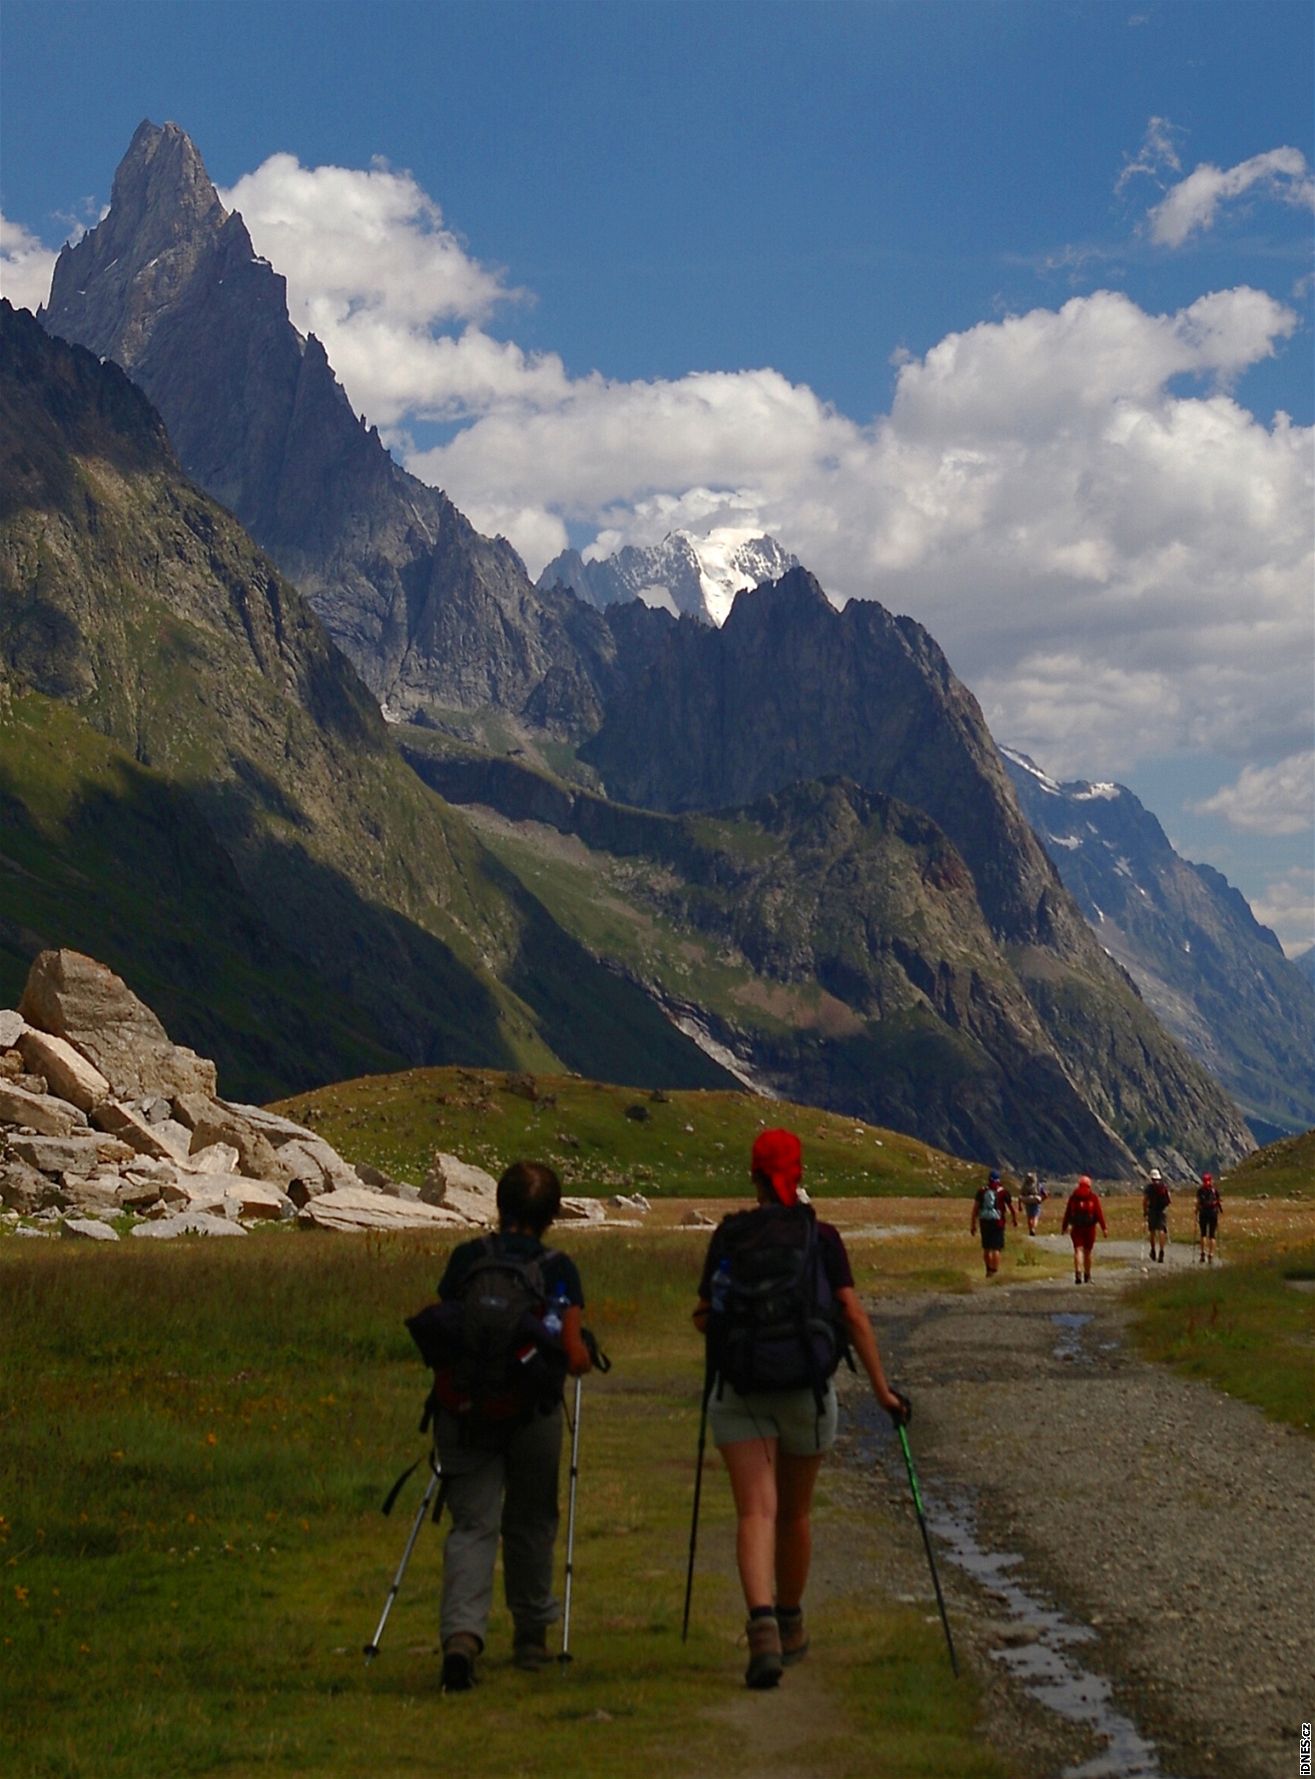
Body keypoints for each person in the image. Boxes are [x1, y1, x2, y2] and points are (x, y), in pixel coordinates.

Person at [692, 1128, 909, 1690]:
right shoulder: (823, 1237)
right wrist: (883, 1392)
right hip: (807, 1392)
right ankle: (790, 1622)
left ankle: (760, 1627)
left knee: (754, 1513)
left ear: (753, 1175)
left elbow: (703, 1314)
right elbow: (852, 1314)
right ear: (799, 1173)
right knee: (795, 1513)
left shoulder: (730, 1235)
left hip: (740, 1392)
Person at [430, 1161, 592, 1693]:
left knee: (472, 1525)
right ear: (552, 1215)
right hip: (532, 1411)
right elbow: (571, 1352)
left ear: (499, 1206)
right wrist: (582, 1356)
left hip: (465, 1410)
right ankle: (530, 1637)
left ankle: (461, 1637)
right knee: (531, 1522)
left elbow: (447, 1327)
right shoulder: (558, 1268)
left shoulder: (467, 1259)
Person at [1060, 1175, 1107, 1283]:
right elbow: (1099, 1213)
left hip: (1076, 1227)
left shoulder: (1073, 1197)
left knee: (1078, 1250)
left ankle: (1078, 1273)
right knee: (1088, 1252)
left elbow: (1067, 1214)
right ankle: (1087, 1275)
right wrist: (1104, 1228)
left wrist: (1064, 1227)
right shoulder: (1093, 1197)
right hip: (1090, 1228)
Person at [970, 1169, 1017, 1276]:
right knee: (996, 1248)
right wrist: (1014, 1219)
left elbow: (975, 1209)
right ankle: (994, 1271)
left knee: (987, 1248)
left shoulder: (982, 1191)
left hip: (984, 1221)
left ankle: (988, 1270)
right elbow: (1011, 1208)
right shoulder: (1003, 1192)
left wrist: (973, 1224)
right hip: (998, 1222)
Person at [1143, 1168, 1172, 1263]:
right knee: (1161, 1230)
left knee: (1152, 1231)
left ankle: (1153, 1250)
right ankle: (1162, 1250)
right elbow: (1169, 1200)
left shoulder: (1149, 1188)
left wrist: (1145, 1211)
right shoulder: (1164, 1186)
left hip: (1152, 1210)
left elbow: (1145, 1200)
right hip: (1162, 1211)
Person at [1196, 1172, 1222, 1263]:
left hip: (1203, 1213)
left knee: (1203, 1234)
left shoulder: (1200, 1191)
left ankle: (1202, 1253)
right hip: (1213, 1213)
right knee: (1212, 1235)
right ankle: (1211, 1254)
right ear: (1210, 1181)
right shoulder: (1215, 1190)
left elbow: (1198, 1202)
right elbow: (1218, 1201)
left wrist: (1196, 1211)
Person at [1019, 1171, 1047, 1236]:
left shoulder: (1024, 1185)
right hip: (1036, 1201)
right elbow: (1044, 1194)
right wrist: (1042, 1200)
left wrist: (1019, 1205)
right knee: (1035, 1216)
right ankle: (1033, 1228)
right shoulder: (1038, 1185)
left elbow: (1020, 1195)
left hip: (1027, 1201)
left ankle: (1030, 1229)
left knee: (1029, 1217)